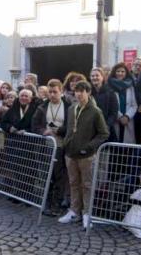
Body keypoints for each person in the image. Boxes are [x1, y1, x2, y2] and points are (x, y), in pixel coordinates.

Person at [57, 81, 109, 228]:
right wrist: (66, 141)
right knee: (73, 184)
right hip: (70, 153)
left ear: (88, 93)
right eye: (76, 91)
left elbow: (104, 133)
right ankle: (74, 211)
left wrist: (89, 147)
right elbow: (69, 128)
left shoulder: (95, 111)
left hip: (86, 155)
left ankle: (87, 213)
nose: (78, 94)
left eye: (82, 91)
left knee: (86, 185)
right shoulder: (72, 108)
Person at [32, 79, 70, 216]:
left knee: (59, 176)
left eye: (55, 92)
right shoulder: (42, 106)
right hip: (46, 146)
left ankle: (56, 204)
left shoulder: (68, 106)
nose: (52, 95)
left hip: (61, 146)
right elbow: (35, 125)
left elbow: (72, 126)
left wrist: (58, 130)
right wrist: (43, 131)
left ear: (61, 92)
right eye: (50, 92)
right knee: (47, 175)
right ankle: (46, 203)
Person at [108, 62, 138, 144]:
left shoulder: (131, 86)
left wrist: (127, 117)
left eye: (122, 71)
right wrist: (120, 117)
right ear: (114, 72)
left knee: (127, 148)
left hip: (128, 120)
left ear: (126, 73)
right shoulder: (109, 85)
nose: (120, 73)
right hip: (115, 119)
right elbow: (110, 105)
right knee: (115, 147)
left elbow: (134, 105)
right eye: (118, 71)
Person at [90, 67, 119, 142]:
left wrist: (106, 126)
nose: (94, 77)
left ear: (102, 77)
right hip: (90, 130)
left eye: (97, 75)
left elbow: (114, 112)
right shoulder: (87, 93)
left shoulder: (110, 93)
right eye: (92, 76)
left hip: (106, 130)